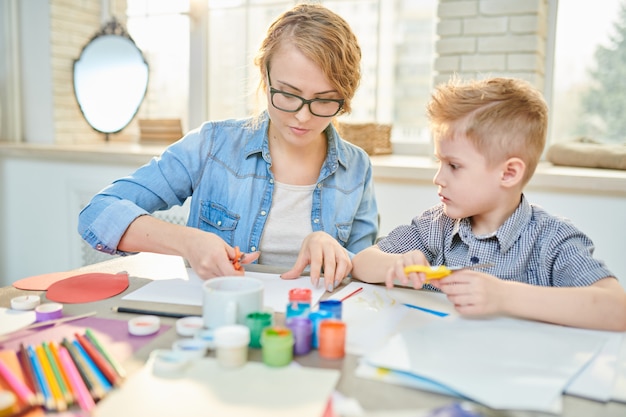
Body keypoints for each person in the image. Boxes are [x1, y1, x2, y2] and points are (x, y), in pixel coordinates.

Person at [78, 3, 378, 292]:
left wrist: (342, 257)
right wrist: (188, 242)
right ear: (265, 76)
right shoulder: (212, 145)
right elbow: (98, 213)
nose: (302, 116)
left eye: (324, 100)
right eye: (287, 94)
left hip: (308, 325)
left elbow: (364, 272)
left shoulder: (357, 167)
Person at [351, 77, 626, 331]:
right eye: (439, 162)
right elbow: (362, 263)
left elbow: (616, 309)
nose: (438, 178)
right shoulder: (436, 226)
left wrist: (504, 296)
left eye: (454, 166)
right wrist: (395, 264)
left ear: (508, 173)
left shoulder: (552, 240)